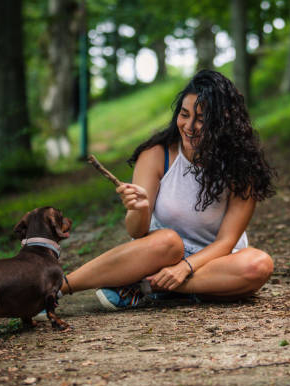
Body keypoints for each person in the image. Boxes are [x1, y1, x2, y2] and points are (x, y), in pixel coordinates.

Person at [59, 70, 276, 309]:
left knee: (259, 264)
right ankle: (55, 289)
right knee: (169, 242)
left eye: (202, 119)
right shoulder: (156, 155)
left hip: (214, 261)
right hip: (160, 256)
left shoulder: (242, 167)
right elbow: (137, 232)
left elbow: (226, 242)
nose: (189, 126)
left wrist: (185, 268)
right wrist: (139, 209)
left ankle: (145, 287)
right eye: (184, 115)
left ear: (223, 121)